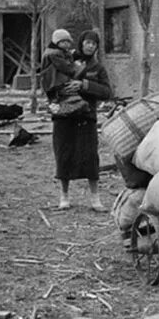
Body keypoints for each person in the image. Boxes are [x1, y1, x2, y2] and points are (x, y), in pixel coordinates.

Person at [41, 28, 112, 211]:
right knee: (63, 155)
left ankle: (95, 199)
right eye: (87, 42)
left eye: (94, 44)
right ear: (80, 43)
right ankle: (64, 196)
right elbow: (47, 77)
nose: (90, 46)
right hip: (64, 115)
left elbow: (107, 92)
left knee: (90, 157)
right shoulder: (65, 59)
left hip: (86, 116)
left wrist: (84, 85)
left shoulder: (97, 68)